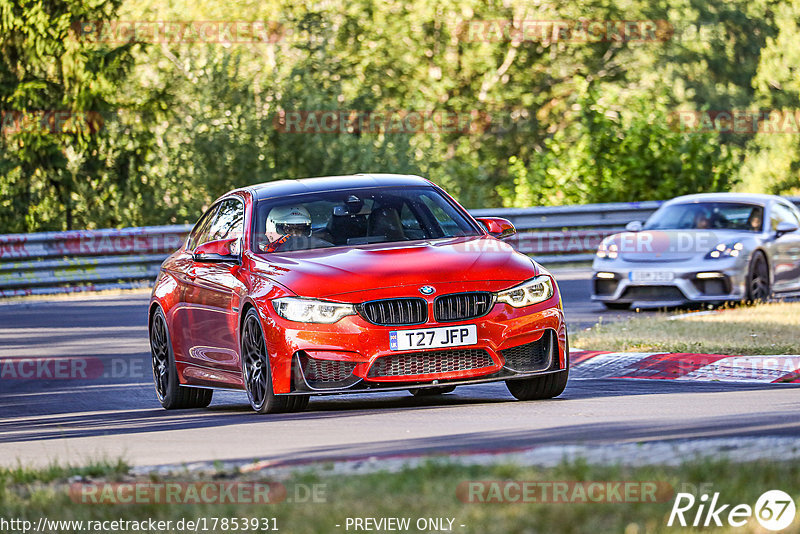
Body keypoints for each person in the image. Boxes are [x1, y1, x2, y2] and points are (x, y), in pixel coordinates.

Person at [261, 205, 331, 252]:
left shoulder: (323, 249)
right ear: (271, 229)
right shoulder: (259, 255)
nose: (294, 235)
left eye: (300, 229)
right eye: (288, 230)